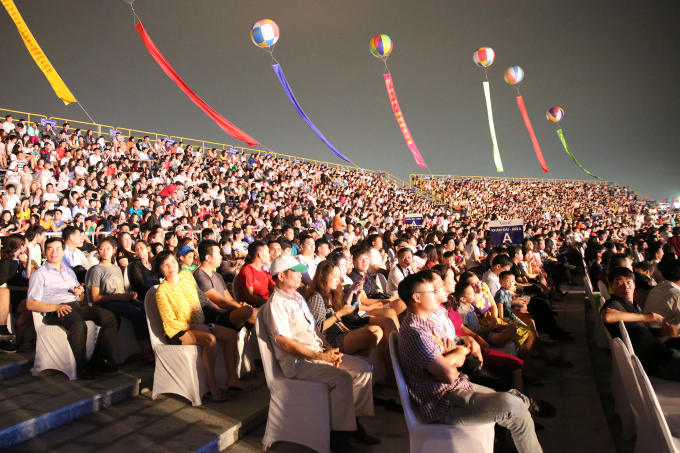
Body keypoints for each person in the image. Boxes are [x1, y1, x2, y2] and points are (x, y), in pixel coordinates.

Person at [396, 272, 542, 452]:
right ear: (417, 297)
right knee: (514, 406)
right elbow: (448, 374)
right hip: (443, 402)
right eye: (433, 291)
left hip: (456, 387)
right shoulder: (417, 333)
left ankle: (520, 413)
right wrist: (461, 350)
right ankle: (524, 415)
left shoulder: (426, 323)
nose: (437, 294)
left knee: (508, 396)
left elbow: (452, 362)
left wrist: (452, 357)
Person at [259, 255, 379, 451]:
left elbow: (314, 329)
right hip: (298, 363)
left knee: (363, 369)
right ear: (281, 276)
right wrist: (320, 356)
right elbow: (286, 344)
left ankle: (352, 424)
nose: (300, 276)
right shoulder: (276, 305)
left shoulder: (297, 297)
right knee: (342, 379)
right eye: (295, 272)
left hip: (317, 353)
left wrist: (329, 348)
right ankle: (338, 436)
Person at [155, 250, 246, 401]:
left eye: (172, 261)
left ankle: (232, 378)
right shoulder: (162, 291)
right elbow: (171, 322)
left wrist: (219, 309)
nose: (170, 266)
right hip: (178, 331)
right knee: (210, 339)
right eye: (165, 264)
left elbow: (201, 297)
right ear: (160, 268)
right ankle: (212, 384)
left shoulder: (186, 276)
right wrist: (196, 327)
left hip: (200, 324)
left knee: (230, 335)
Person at [27, 237, 118, 380]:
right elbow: (30, 303)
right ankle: (82, 367)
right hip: (56, 310)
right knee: (78, 324)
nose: (54, 252)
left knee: (109, 318)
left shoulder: (69, 271)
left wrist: (79, 293)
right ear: (45, 252)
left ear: (63, 252)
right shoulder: (39, 275)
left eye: (58, 249)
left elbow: (80, 297)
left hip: (76, 305)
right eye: (50, 249)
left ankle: (99, 359)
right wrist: (56, 307)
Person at [600, 266, 680, 381]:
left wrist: (664, 331)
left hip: (663, 354)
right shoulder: (615, 304)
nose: (626, 286)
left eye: (629, 282)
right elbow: (607, 315)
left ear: (634, 285)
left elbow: (644, 332)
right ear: (611, 286)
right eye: (619, 283)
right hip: (658, 364)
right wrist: (645, 316)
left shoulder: (630, 305)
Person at [86, 237, 154, 364]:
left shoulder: (116, 268)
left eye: (108, 248)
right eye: (102, 248)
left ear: (114, 250)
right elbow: (96, 298)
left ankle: (153, 344)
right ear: (98, 251)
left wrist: (128, 295)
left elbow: (120, 290)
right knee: (137, 313)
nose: (105, 251)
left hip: (120, 299)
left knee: (146, 308)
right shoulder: (96, 270)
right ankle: (146, 351)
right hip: (106, 303)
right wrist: (121, 297)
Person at [305, 259, 382, 356]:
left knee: (377, 330)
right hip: (330, 340)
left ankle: (359, 351)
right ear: (322, 274)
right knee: (367, 335)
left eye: (339, 276)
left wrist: (347, 331)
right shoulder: (317, 297)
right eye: (335, 276)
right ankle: (358, 352)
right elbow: (319, 327)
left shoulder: (327, 294)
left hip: (339, 333)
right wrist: (340, 313)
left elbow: (337, 319)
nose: (338, 280)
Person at [194, 239, 257, 332]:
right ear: (208, 257)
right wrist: (241, 308)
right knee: (249, 312)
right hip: (215, 318)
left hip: (228, 312)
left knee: (259, 314)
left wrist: (239, 305)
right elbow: (220, 301)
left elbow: (229, 299)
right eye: (218, 254)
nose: (221, 257)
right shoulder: (199, 276)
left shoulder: (217, 275)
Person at [236, 241, 275, 308]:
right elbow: (250, 296)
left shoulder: (264, 272)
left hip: (266, 307)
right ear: (260, 255)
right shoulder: (247, 270)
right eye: (267, 252)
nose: (269, 255)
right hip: (254, 309)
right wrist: (271, 304)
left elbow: (275, 287)